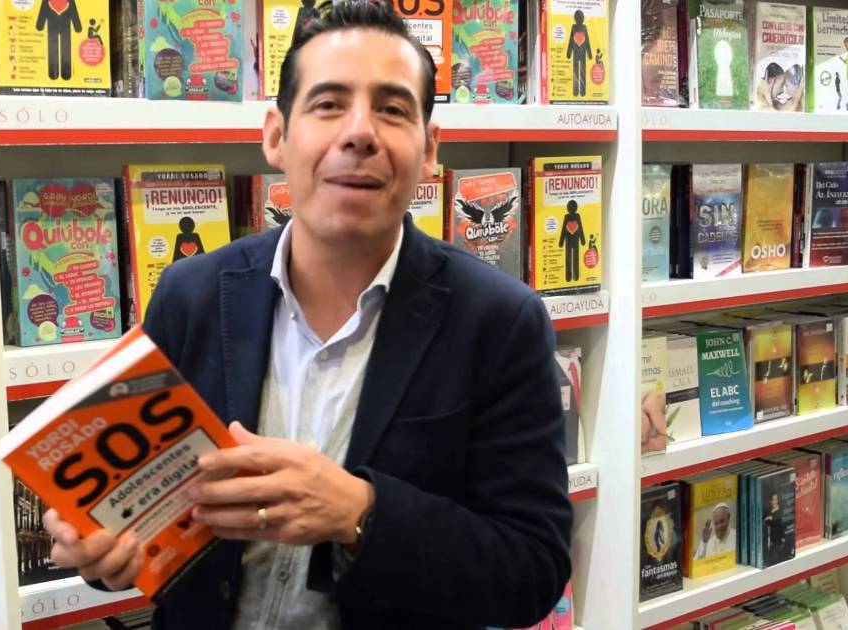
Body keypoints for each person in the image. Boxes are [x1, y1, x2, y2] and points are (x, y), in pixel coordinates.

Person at [42, 1, 571, 628]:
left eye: (392, 109)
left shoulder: (500, 321)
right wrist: (96, 546)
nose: (360, 132)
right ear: (276, 136)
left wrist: (360, 512)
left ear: (430, 149)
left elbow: (531, 569)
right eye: (328, 104)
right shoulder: (190, 295)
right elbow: (126, 519)